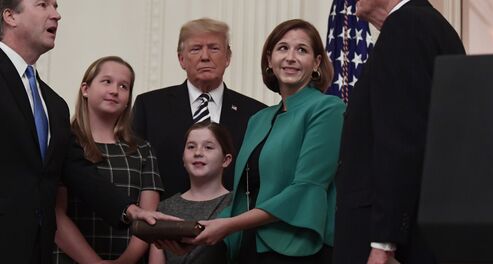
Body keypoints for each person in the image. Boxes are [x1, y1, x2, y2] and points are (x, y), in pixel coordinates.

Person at [0, 1, 173, 263]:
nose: (56, 14)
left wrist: (130, 210)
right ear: (10, 16)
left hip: (37, 252)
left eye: (55, 6)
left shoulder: (53, 103)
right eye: (43, 4)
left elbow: (77, 171)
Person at [185, 19, 345, 263]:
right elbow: (245, 197)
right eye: (283, 48)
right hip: (247, 248)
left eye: (301, 50)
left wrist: (228, 225)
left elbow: (305, 190)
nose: (291, 57)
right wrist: (195, 232)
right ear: (270, 60)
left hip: (298, 250)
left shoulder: (328, 108)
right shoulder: (258, 119)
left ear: (317, 63)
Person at [333, 0, 466, 263]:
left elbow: (401, 139)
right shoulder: (428, 25)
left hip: (393, 243)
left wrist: (384, 242)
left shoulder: (407, 25)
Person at [132, 17, 266, 199]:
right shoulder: (149, 106)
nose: (205, 57)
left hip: (233, 220)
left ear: (227, 57)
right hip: (164, 219)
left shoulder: (255, 113)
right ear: (181, 59)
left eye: (214, 48)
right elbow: (136, 171)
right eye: (196, 49)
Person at [53, 57, 164, 263]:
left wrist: (125, 261)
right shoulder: (65, 143)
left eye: (124, 86)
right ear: (85, 89)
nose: (115, 90)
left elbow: (148, 217)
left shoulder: (142, 150)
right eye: (107, 81)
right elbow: (57, 215)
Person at [149, 121, 234, 264]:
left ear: (225, 160)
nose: (198, 152)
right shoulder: (164, 208)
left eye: (208, 147)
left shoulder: (237, 204)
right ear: (183, 158)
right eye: (191, 147)